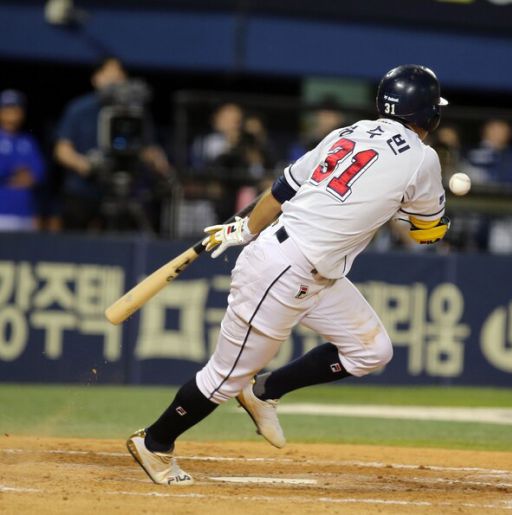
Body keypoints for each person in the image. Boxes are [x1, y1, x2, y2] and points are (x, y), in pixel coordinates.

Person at [126, 64, 450, 485]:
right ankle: (155, 442)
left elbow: (282, 189)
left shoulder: (348, 132)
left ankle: (264, 391)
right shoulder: (423, 157)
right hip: (284, 270)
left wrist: (247, 227)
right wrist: (432, 222)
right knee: (223, 378)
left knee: (371, 351)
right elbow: (427, 231)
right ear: (427, 114)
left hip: (314, 270)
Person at [54, 56, 170, 231]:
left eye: (119, 73)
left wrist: (161, 167)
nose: (115, 78)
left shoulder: (136, 112)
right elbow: (62, 150)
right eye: (110, 73)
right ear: (96, 78)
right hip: (84, 191)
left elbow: (149, 149)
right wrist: (85, 165)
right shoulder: (79, 109)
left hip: (125, 191)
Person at [0, 90, 46, 231]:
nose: (13, 113)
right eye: (7, 108)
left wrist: (12, 175)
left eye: (16, 108)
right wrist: (11, 172)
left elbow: (39, 172)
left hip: (26, 212)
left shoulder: (28, 140)